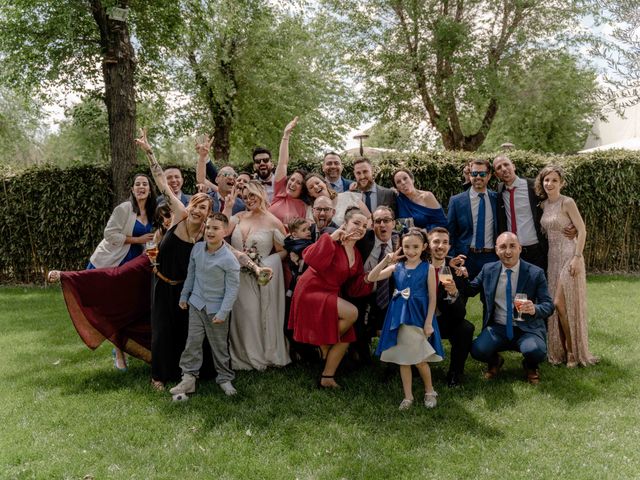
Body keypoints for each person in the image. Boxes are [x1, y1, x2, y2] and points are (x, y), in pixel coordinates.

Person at [136, 128, 215, 390]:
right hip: (161, 283)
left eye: (203, 207)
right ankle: (159, 375)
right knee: (161, 331)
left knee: (186, 331)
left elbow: (229, 252)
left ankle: (189, 373)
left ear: (207, 214)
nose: (196, 210)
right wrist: (149, 152)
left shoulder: (206, 233)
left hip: (185, 288)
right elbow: (160, 180)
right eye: (195, 205)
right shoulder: (180, 214)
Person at [288, 207, 373, 388]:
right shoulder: (332, 242)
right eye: (356, 223)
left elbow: (354, 286)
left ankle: (327, 377)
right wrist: (331, 238)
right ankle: (325, 343)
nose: (360, 228)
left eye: (364, 226)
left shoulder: (357, 254)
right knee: (351, 313)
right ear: (345, 224)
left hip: (330, 292)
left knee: (347, 337)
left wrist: (373, 277)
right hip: (311, 290)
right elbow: (310, 258)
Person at [464, 232, 554, 385]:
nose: (508, 251)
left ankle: (530, 366)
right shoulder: (488, 270)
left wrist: (534, 309)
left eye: (512, 246)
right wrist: (462, 277)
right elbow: (470, 290)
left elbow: (549, 305)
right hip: (498, 327)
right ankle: (495, 361)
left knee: (536, 351)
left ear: (519, 248)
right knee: (478, 350)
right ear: (496, 250)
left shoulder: (535, 273)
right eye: (503, 247)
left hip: (526, 328)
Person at [86, 173, 156, 370]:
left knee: (133, 308)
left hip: (138, 265)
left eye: (145, 184)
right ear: (132, 190)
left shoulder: (153, 211)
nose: (141, 187)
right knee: (116, 309)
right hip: (116, 261)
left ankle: (133, 344)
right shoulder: (124, 209)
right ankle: (119, 353)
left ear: (150, 190)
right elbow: (109, 234)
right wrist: (137, 240)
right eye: (137, 184)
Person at [368, 228, 442, 410]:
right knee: (403, 358)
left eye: (415, 247)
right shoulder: (397, 267)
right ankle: (408, 396)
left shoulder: (428, 268)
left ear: (424, 246)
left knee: (419, 359)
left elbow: (433, 297)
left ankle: (429, 390)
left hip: (418, 314)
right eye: (407, 246)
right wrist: (387, 259)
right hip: (398, 314)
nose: (411, 251)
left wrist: (428, 322)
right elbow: (371, 278)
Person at [171, 213, 241, 397]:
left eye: (215, 228)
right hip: (196, 304)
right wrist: (184, 296)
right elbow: (191, 276)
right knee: (192, 342)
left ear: (225, 232)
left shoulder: (229, 260)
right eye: (208, 227)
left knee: (219, 346)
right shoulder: (197, 249)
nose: (210, 231)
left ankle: (225, 378)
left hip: (216, 310)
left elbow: (232, 290)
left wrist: (223, 312)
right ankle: (189, 378)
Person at [536, 166, 598, 367]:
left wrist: (577, 257)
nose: (550, 184)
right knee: (559, 307)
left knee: (560, 303)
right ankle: (559, 350)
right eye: (546, 180)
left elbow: (582, 230)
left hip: (570, 255)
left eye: (554, 180)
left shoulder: (567, 202)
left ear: (561, 183)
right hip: (552, 257)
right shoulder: (543, 205)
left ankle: (573, 351)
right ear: (542, 182)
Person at [227, 180, 290, 370]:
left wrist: (264, 263)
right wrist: (228, 207)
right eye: (245, 197)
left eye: (252, 195)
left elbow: (283, 251)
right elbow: (218, 236)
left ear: (261, 194)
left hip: (258, 277)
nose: (248, 200)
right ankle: (240, 357)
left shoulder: (273, 221)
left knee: (253, 314)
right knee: (240, 315)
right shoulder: (238, 217)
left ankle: (259, 355)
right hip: (236, 275)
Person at [427, 227, 475, 387]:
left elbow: (460, 314)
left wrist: (454, 293)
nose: (440, 246)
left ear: (449, 247)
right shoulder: (418, 266)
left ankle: (455, 373)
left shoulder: (456, 271)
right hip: (421, 319)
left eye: (445, 242)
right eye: (436, 241)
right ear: (428, 244)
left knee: (465, 328)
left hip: (445, 320)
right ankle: (407, 366)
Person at [353, 206, 398, 365]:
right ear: (372, 225)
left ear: (394, 223)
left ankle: (393, 360)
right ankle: (362, 357)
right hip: (365, 292)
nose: (382, 225)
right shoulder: (363, 240)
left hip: (392, 294)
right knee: (358, 325)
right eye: (378, 221)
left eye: (386, 220)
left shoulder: (401, 242)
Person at [493, 155, 549, 271]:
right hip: (511, 253)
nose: (503, 169)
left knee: (537, 287)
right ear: (496, 174)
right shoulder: (499, 191)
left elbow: (555, 202)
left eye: (506, 164)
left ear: (513, 166)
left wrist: (570, 224)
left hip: (535, 250)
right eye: (499, 168)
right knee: (514, 287)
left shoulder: (533, 186)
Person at [447, 159, 498, 279]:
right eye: (474, 174)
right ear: (469, 176)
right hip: (465, 256)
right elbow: (450, 232)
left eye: (482, 174)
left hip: (491, 257)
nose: (478, 177)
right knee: (460, 295)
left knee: (489, 297)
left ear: (489, 176)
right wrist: (452, 256)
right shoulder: (456, 201)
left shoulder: (497, 199)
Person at [268, 117, 310, 225]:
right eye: (292, 179)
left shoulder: (304, 207)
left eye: (299, 183)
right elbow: (283, 163)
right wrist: (286, 135)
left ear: (303, 189)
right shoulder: (280, 193)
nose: (293, 183)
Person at [305, 172, 370, 226]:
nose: (316, 187)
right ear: (310, 194)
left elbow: (369, 218)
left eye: (317, 183)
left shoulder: (349, 196)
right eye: (311, 187)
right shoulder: (311, 211)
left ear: (325, 184)